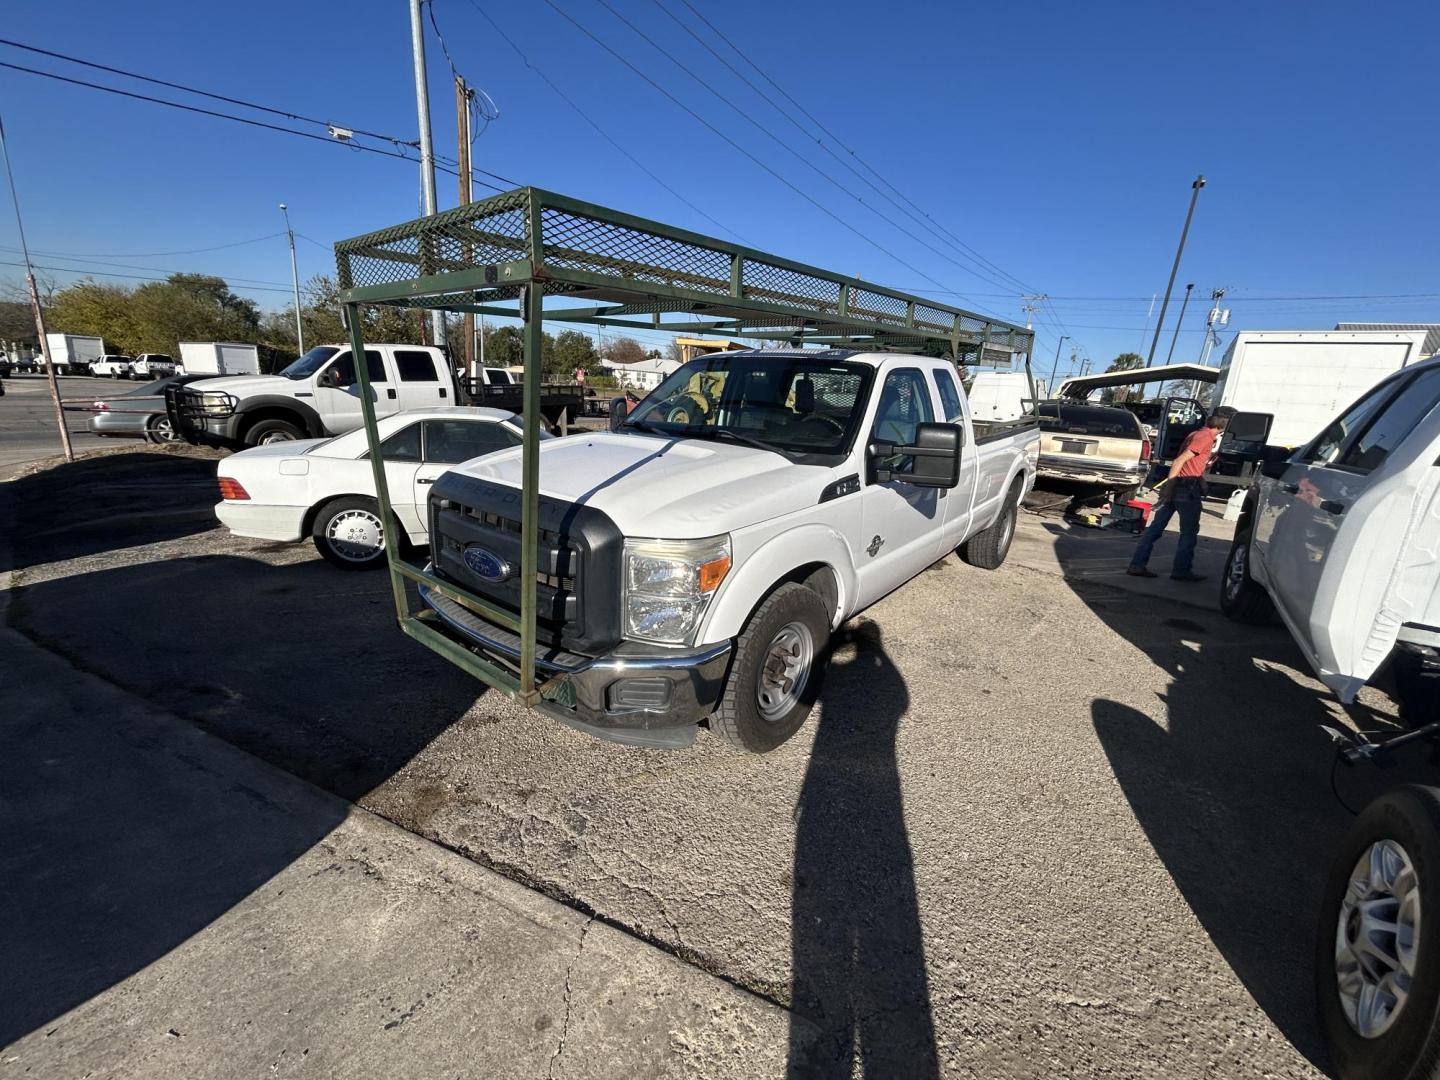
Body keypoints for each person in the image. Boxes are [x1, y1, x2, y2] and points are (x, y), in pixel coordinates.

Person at [1127, 413, 1229, 582]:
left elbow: (1189, 463)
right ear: (1222, 428)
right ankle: (1181, 570)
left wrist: (1199, 479)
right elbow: (1180, 461)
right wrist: (1169, 487)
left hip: (1181, 485)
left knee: (1155, 529)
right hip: (1186, 489)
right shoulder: (1205, 437)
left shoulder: (1195, 434)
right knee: (1188, 533)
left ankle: (1137, 564)